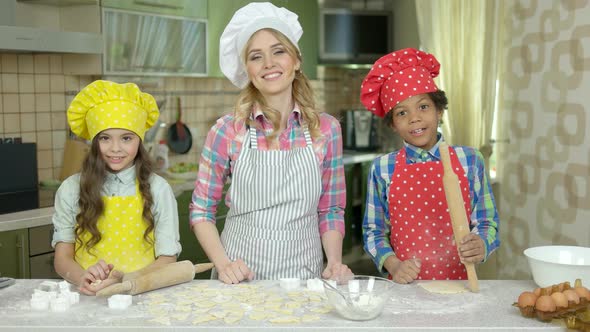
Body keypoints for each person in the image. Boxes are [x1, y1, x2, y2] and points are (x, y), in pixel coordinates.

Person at [189, 2, 351, 284]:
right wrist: (224, 264)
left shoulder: (326, 130)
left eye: (279, 51)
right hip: (239, 275)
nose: (269, 64)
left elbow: (331, 208)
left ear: (296, 60)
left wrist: (334, 262)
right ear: (247, 69)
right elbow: (202, 210)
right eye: (256, 56)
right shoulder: (228, 130)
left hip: (303, 275)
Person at [359, 48, 500, 284]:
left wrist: (482, 244)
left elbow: (488, 223)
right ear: (393, 124)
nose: (414, 118)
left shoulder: (470, 160)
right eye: (402, 112)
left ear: (439, 110)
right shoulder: (383, 168)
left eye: (423, 107)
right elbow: (373, 232)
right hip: (405, 289)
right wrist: (394, 264)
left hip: (460, 285)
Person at [52, 80, 182, 295]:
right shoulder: (70, 189)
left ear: (139, 141)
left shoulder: (159, 189)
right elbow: (62, 258)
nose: (115, 149)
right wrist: (81, 277)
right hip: (89, 297)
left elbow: (168, 259)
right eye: (105, 138)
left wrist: (127, 282)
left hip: (144, 294)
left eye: (126, 138)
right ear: (94, 142)